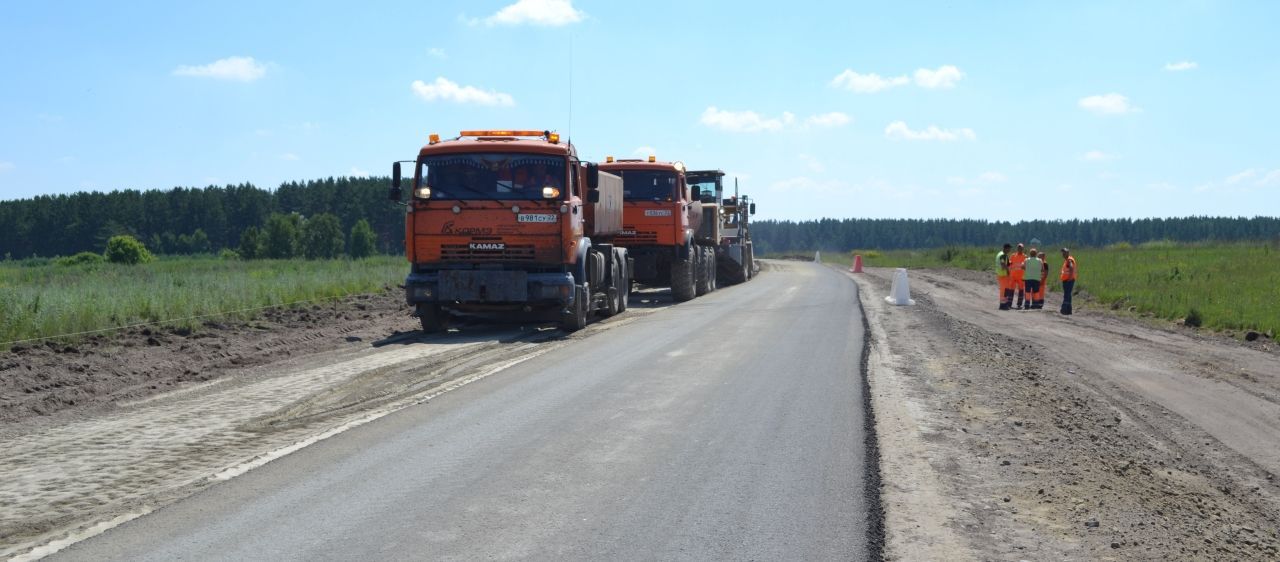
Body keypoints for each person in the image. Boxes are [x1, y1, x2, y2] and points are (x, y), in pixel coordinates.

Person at [1010, 243, 1028, 309]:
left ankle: (1019, 304)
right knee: (1011, 289)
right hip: (1013, 275)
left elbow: (1026, 266)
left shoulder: (1025, 257)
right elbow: (1010, 264)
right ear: (1017, 248)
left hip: (1021, 276)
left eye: (1021, 248)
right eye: (1019, 247)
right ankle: (1009, 303)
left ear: (1023, 249)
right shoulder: (1013, 255)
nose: (1020, 249)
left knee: (1021, 290)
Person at [1060, 247, 1077, 315]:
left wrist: (1070, 277)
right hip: (1068, 280)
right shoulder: (1068, 260)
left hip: (1068, 280)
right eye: (1062, 252)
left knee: (1066, 294)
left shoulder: (1069, 260)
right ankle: (1069, 310)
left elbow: (1071, 267)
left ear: (1067, 253)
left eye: (1064, 252)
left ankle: (1064, 309)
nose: (1063, 254)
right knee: (1068, 294)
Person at [996, 243, 1013, 310]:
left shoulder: (1000, 254)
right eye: (1009, 248)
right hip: (1003, 275)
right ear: (1006, 248)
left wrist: (1010, 263)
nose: (1009, 250)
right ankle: (1003, 305)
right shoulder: (1003, 255)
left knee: (1005, 290)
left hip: (1000, 274)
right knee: (1004, 290)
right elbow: (1003, 264)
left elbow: (1006, 263)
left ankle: (1004, 304)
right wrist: (1008, 270)